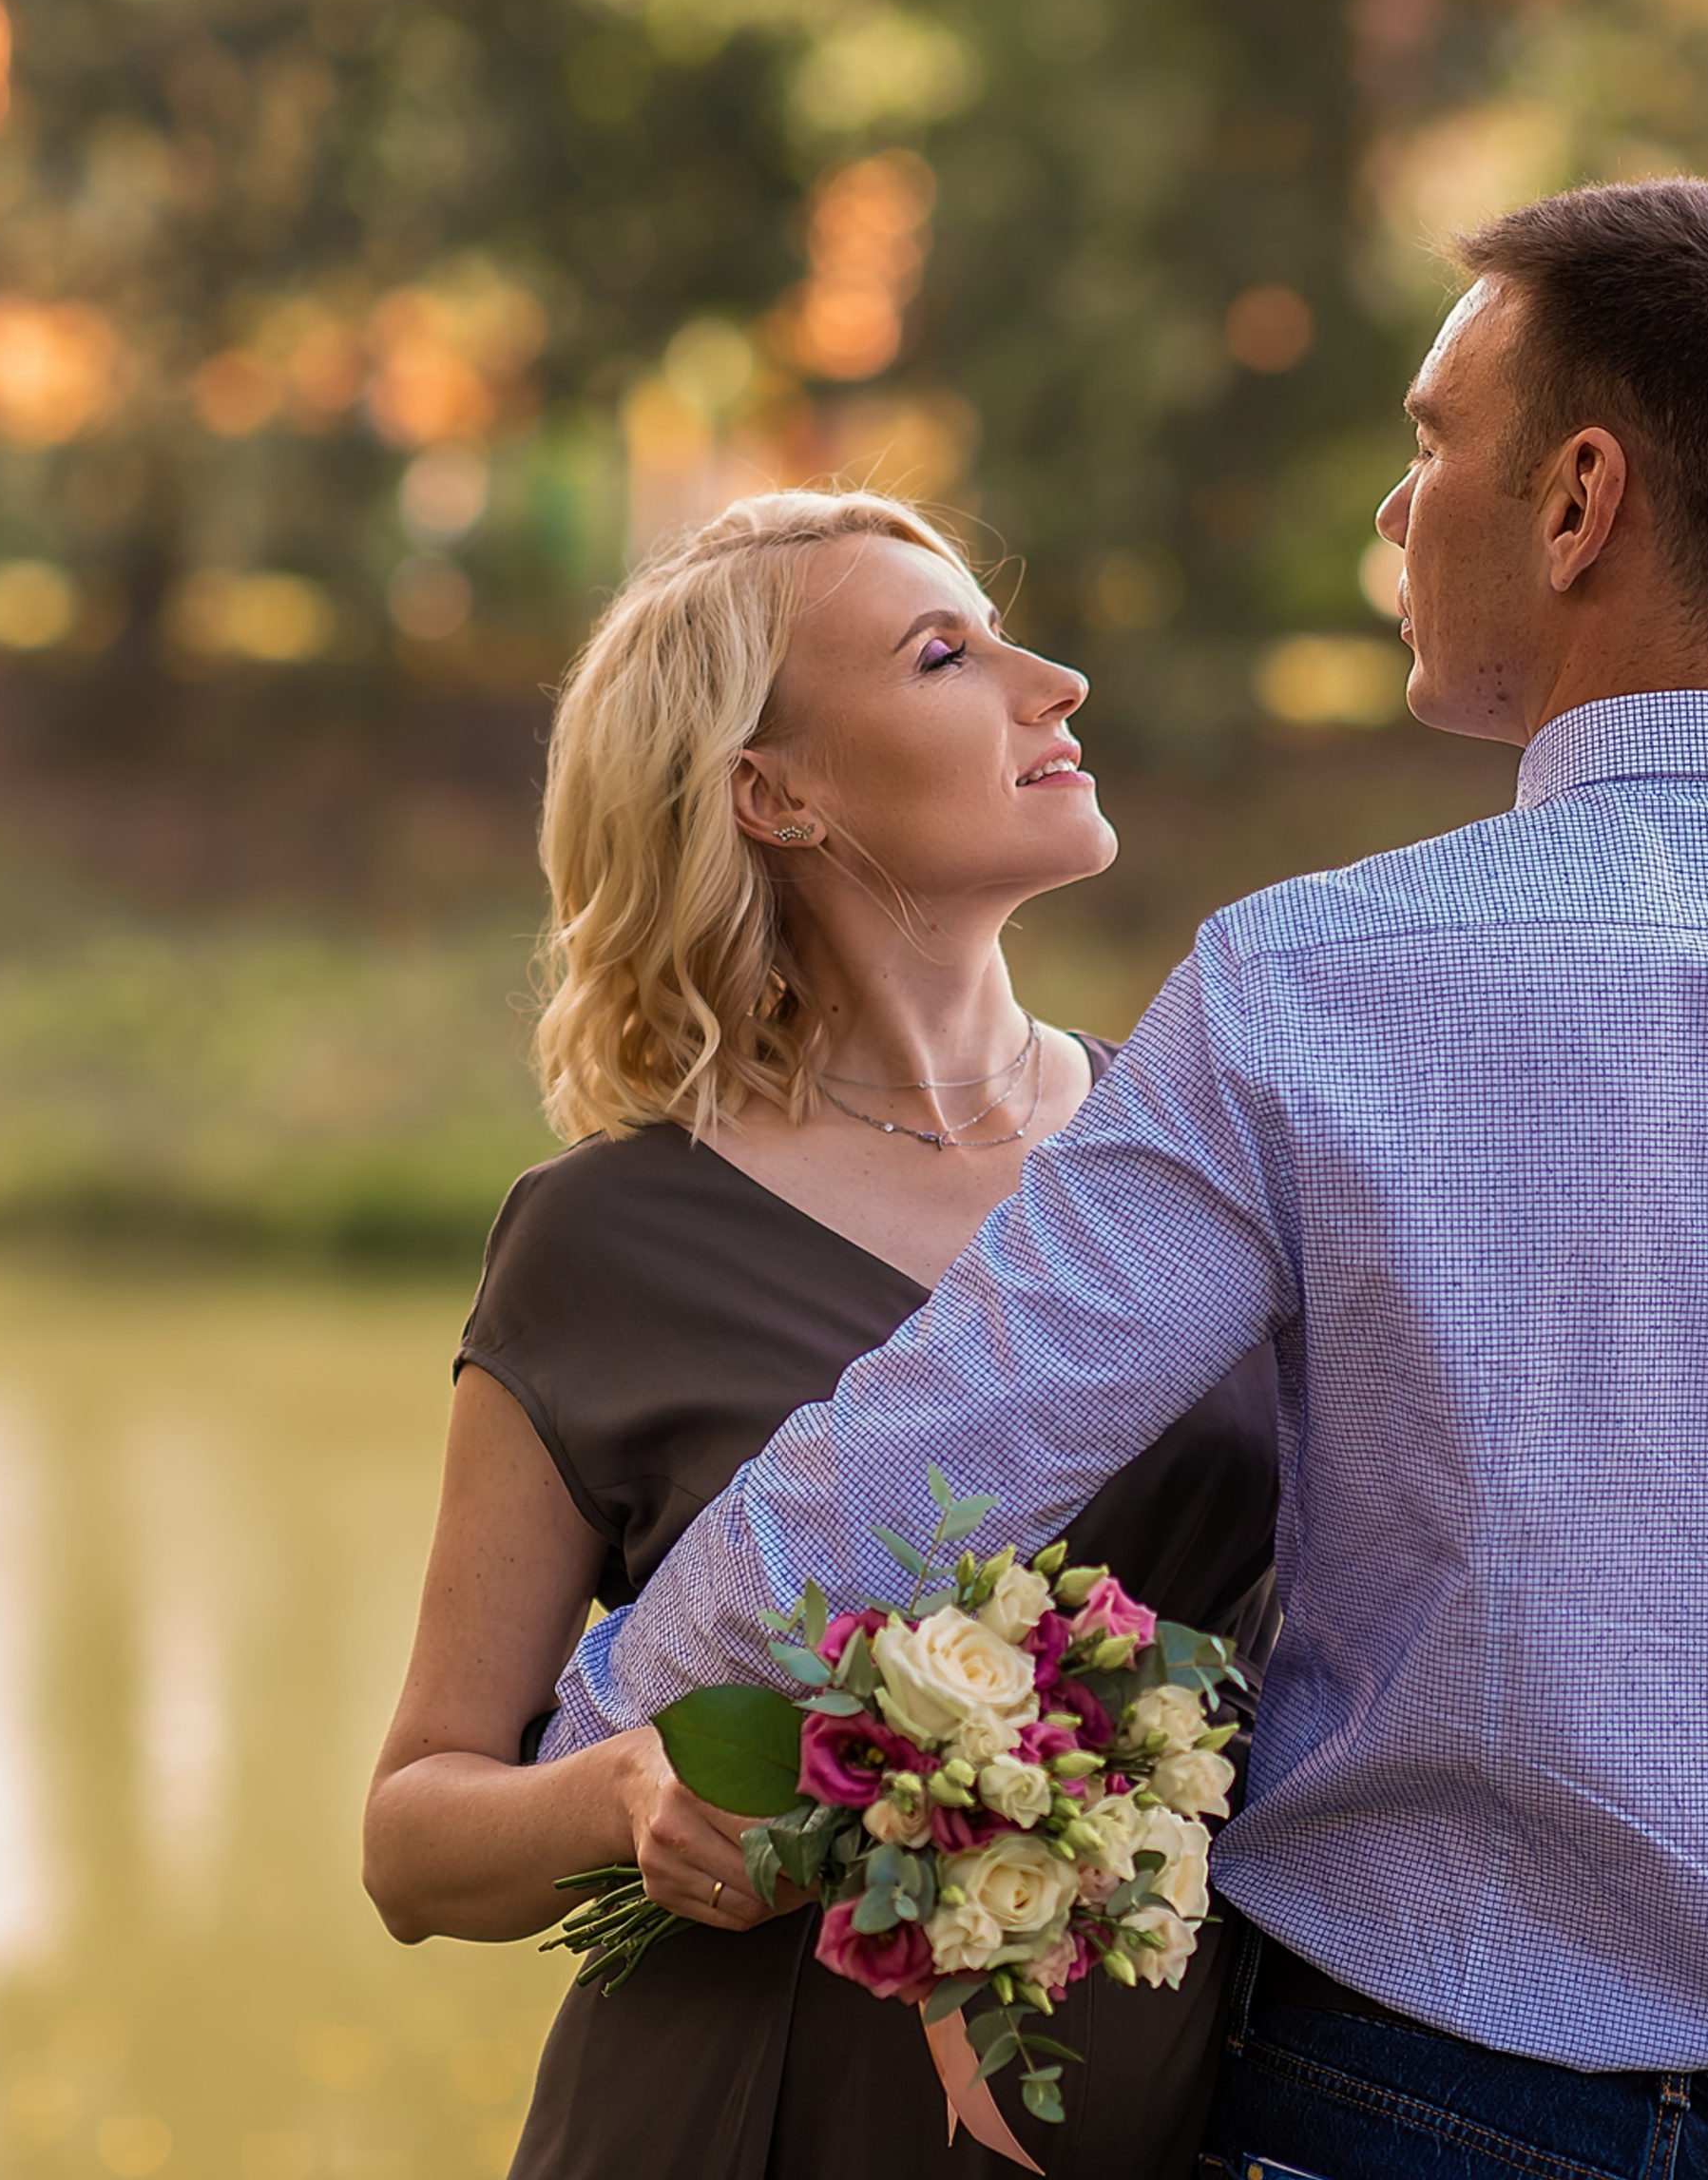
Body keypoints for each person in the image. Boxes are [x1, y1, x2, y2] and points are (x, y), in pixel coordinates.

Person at [528, 182, 1708, 2178]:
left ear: (1574, 503)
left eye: (1425, 442)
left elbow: (938, 1442)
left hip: (1385, 2113)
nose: (1394, 514)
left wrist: (598, 1719)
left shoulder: (1299, 983)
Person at [362, 489, 1285, 2179]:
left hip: (1180, 2123)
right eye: (948, 655)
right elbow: (415, 1843)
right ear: (771, 793)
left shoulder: (1202, 1157)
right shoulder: (605, 1238)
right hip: (736, 2119)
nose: (1057, 678)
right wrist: (621, 1795)